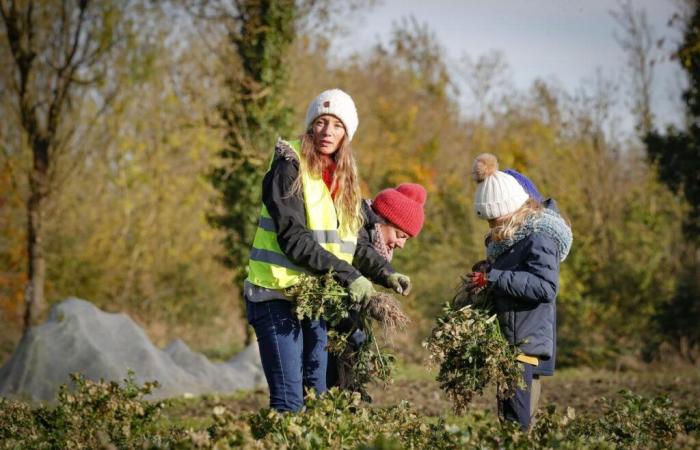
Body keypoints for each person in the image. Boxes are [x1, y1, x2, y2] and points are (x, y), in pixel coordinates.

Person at [243, 89, 410, 412]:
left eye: (336, 125)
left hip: (314, 300)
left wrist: (385, 273)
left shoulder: (344, 179)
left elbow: (352, 244)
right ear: (310, 126)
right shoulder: (288, 166)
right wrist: (350, 277)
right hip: (275, 296)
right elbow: (293, 238)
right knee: (290, 403)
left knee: (318, 398)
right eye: (321, 122)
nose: (327, 132)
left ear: (347, 133)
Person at [466, 153, 572, 431]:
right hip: (510, 344)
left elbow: (545, 286)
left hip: (524, 346)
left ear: (513, 210)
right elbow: (513, 277)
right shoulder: (513, 241)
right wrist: (486, 271)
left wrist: (495, 278)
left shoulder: (539, 238)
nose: (491, 226)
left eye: (495, 219)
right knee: (510, 423)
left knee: (518, 426)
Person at [327, 183, 427, 390]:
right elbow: (360, 251)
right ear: (383, 220)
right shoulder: (356, 221)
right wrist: (387, 273)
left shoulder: (373, 233)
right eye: (401, 236)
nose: (401, 245)